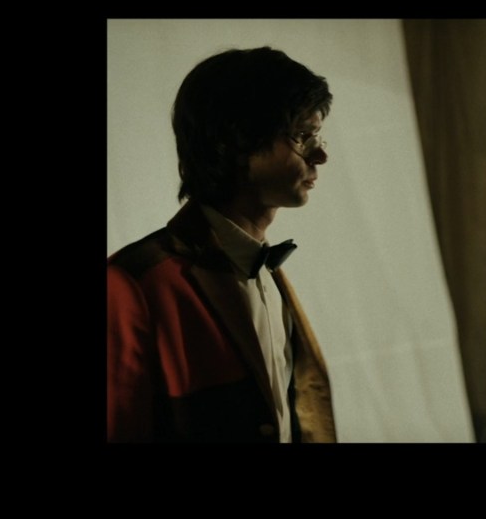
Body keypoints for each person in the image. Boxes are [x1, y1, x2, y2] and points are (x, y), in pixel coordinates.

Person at [107, 47, 336, 442]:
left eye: (317, 135)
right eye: (302, 136)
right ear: (234, 142)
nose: (321, 154)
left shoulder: (269, 272)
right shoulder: (132, 284)